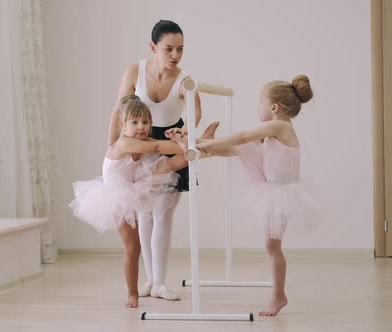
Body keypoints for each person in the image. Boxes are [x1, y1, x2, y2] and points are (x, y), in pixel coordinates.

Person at [170, 74, 314, 316]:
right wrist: (198, 139)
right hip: (271, 185)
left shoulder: (280, 126)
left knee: (272, 245)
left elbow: (245, 135)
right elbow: (241, 144)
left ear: (274, 107)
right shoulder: (274, 130)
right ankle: (197, 145)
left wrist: (201, 139)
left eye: (260, 103)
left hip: (280, 191)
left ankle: (279, 296)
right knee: (241, 149)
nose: (257, 107)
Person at [71, 95, 217, 308]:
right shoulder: (125, 142)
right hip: (116, 195)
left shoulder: (144, 140)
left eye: (146, 122)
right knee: (133, 247)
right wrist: (185, 142)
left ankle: (201, 149)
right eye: (135, 122)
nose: (141, 127)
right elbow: (159, 148)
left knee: (169, 165)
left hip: (135, 183)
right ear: (122, 125)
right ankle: (132, 293)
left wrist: (181, 141)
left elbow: (163, 148)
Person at [108, 19, 206, 301]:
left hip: (169, 143)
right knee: (144, 214)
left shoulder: (184, 78)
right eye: (169, 49)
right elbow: (118, 110)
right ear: (153, 47)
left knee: (162, 214)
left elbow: (194, 111)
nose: (175, 55)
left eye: (180, 49)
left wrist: (185, 133)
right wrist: (113, 145)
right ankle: (150, 281)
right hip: (139, 143)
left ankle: (160, 282)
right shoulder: (134, 71)